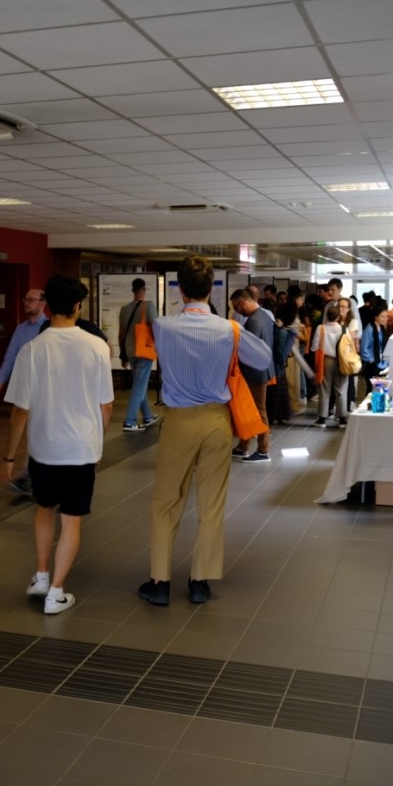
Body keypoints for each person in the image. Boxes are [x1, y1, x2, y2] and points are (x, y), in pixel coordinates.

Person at [140, 255, 271, 607]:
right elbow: (263, 359)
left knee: (167, 501)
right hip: (217, 421)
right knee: (211, 503)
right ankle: (200, 581)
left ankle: (160, 581)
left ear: (180, 290)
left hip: (179, 421)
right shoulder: (228, 329)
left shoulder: (163, 326)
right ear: (211, 289)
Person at [0, 275, 114, 614]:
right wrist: (97, 443)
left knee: (44, 508)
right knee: (72, 520)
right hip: (80, 448)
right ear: (78, 306)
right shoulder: (97, 347)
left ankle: (41, 575)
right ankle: (57, 593)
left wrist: (8, 457)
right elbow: (106, 406)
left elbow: (20, 410)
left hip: (43, 447)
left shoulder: (32, 349)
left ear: (48, 307)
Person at [0, 288, 47, 495]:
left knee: (37, 432)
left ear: (42, 303)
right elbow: (11, 355)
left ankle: (31, 476)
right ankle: (30, 476)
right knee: (34, 432)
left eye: (31, 300)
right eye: (25, 299)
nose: (26, 302)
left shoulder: (48, 328)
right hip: (26, 387)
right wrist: (1, 379)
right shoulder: (21, 329)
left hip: (44, 388)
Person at [229, 287, 276, 462]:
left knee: (258, 410)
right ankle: (243, 446)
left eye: (236, 306)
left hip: (255, 373)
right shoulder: (264, 316)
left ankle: (263, 450)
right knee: (251, 409)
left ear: (243, 302)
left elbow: (250, 350)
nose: (236, 311)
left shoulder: (253, 321)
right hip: (262, 370)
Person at [117, 277, 159, 432]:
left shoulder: (124, 309)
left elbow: (121, 334)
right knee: (139, 386)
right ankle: (130, 421)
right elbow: (155, 329)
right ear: (144, 290)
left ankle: (147, 416)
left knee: (139, 384)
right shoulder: (149, 306)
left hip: (130, 351)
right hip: (144, 351)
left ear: (133, 291)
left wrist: (123, 354)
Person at [314, 305, 344, 428]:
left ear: (327, 316)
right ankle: (342, 419)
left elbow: (314, 346)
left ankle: (322, 418)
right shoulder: (342, 328)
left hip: (325, 360)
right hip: (340, 360)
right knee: (340, 389)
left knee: (324, 388)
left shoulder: (320, 328)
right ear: (338, 317)